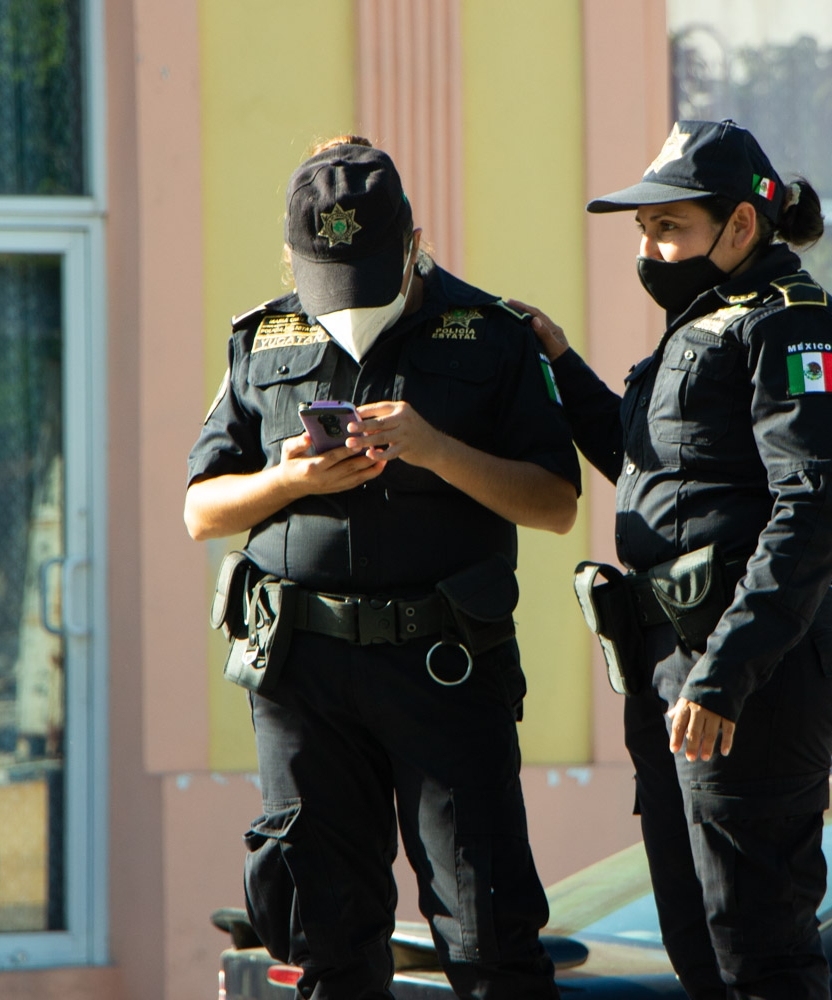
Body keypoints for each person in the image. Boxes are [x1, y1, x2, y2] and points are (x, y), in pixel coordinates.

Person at [184, 136, 579, 1000]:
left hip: (442, 666)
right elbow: (200, 510)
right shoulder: (263, 335)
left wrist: (437, 450)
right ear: (292, 256)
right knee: (327, 945)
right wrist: (286, 479)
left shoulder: (491, 334)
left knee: (489, 941)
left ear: (412, 243)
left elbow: (556, 503)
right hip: (304, 675)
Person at [517, 120, 832, 1000]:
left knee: (757, 950)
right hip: (672, 660)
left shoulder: (794, 329)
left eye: (668, 226)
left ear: (743, 226)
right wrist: (559, 366)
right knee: (696, 943)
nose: (649, 246)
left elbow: (812, 509)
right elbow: (653, 468)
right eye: (643, 229)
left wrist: (726, 675)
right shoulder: (702, 324)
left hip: (752, 670)